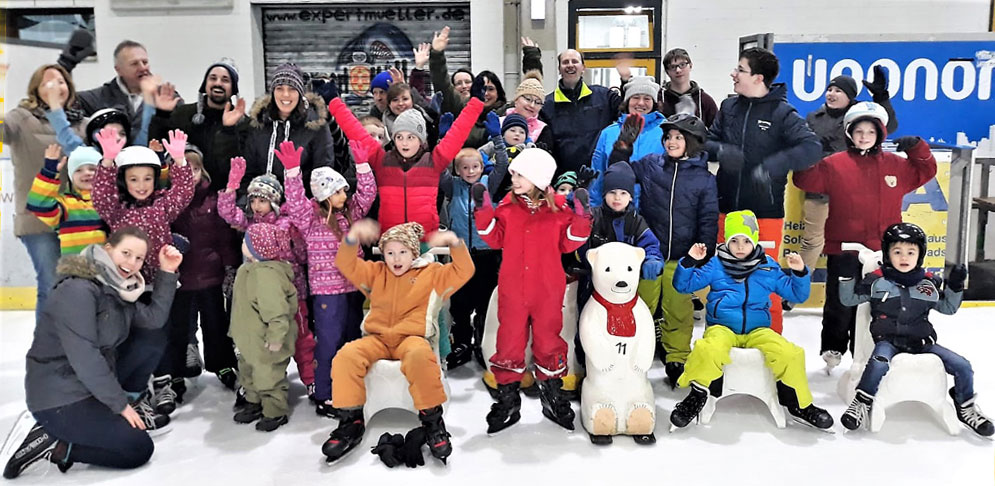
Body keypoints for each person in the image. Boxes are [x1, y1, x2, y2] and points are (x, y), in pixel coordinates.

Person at [1, 227, 181, 479]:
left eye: (138, 258)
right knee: (137, 448)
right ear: (108, 250)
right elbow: (84, 355)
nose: (131, 263)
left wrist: (167, 271)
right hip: (60, 395)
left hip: (90, 387)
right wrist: (120, 405)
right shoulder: (78, 290)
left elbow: (153, 319)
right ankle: (56, 444)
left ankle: (122, 404)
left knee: (152, 335)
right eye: (126, 253)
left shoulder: (119, 288)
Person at [793, 102, 936, 369]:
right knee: (839, 301)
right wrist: (805, 155)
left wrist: (917, 148)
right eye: (858, 131)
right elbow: (804, 180)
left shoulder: (897, 165)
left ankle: (873, 348)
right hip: (843, 247)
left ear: (880, 133)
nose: (864, 136)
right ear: (849, 133)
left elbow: (926, 170)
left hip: (884, 252)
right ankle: (833, 347)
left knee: (879, 303)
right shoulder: (833, 164)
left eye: (870, 131)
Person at [322, 221, 474, 464]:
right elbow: (346, 264)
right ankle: (351, 420)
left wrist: (455, 244)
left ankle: (432, 420)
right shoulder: (377, 272)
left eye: (402, 252)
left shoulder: (432, 274)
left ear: (414, 252)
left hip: (412, 338)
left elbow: (464, 271)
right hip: (378, 339)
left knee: (419, 357)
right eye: (390, 252)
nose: (396, 258)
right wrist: (352, 238)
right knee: (347, 355)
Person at [669, 210, 833, 430]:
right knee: (707, 349)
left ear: (754, 240)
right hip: (723, 327)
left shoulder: (768, 266)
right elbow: (683, 286)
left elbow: (797, 295)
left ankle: (800, 405)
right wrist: (690, 262)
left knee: (790, 353)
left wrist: (800, 273)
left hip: (758, 330)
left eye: (746, 240)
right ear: (726, 242)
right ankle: (698, 394)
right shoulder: (716, 264)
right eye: (734, 240)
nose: (739, 246)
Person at [472, 148, 592, 434]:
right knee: (509, 341)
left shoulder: (559, 209)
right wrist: (483, 210)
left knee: (548, 339)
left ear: (538, 178)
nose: (513, 178)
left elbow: (569, 243)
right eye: (513, 173)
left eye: (519, 174)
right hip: (513, 288)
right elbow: (494, 238)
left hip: (547, 288)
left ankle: (552, 396)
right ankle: (508, 400)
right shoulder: (507, 207)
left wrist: (582, 216)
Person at [704, 47, 822, 333]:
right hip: (727, 209)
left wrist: (773, 166)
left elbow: (812, 148)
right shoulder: (728, 107)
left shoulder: (782, 113)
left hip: (765, 214)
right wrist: (721, 150)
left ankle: (770, 345)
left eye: (740, 69)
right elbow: (705, 142)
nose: (734, 74)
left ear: (758, 78)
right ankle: (721, 343)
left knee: (765, 284)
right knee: (724, 283)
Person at [837, 223, 992, 437]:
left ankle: (966, 407)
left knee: (963, 365)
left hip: (923, 342)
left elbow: (948, 308)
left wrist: (955, 287)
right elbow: (849, 299)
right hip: (888, 341)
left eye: (911, 252)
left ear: (920, 255)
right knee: (878, 363)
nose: (904, 257)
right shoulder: (877, 281)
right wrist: (846, 277)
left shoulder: (928, 283)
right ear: (887, 253)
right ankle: (862, 402)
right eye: (897, 252)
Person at [608, 112, 719, 388]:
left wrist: (703, 253)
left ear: (692, 142)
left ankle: (677, 358)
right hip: (649, 256)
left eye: (678, 137)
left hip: (681, 258)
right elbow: (620, 174)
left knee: (678, 310)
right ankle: (634, 355)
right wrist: (623, 147)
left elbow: (708, 217)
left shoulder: (704, 179)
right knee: (641, 307)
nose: (671, 142)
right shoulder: (651, 165)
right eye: (668, 136)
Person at [281, 140, 377, 417]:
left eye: (344, 190)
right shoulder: (310, 218)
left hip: (354, 287)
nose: (345, 195)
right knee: (329, 341)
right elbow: (296, 202)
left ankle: (350, 386)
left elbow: (368, 194)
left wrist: (362, 166)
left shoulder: (351, 214)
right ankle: (324, 393)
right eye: (338, 192)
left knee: (351, 339)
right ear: (324, 195)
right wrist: (292, 173)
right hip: (327, 292)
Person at [218, 159, 317, 404]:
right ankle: (269, 383)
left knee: (301, 337)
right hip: (260, 296)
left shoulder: (287, 224)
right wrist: (231, 187)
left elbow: (302, 254)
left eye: (262, 200)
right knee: (267, 341)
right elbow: (229, 213)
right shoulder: (251, 223)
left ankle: (311, 379)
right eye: (253, 200)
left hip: (293, 293)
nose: (256, 206)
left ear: (273, 201)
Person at [328, 90, 485, 235]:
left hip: (424, 240)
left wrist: (476, 102)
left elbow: (458, 132)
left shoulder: (434, 161)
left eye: (411, 137)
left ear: (421, 140)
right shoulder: (381, 160)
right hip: (391, 241)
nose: (404, 143)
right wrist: (334, 102)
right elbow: (355, 130)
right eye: (399, 137)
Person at [2, 63, 88, 320]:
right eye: (47, 83)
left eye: (60, 81)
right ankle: (47, 351)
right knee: (51, 284)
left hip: (77, 221)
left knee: (79, 288)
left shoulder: (81, 123)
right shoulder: (21, 117)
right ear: (36, 90)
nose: (55, 87)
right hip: (38, 221)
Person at [159, 145, 240, 409]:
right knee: (180, 328)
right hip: (180, 278)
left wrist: (229, 266)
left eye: (195, 168)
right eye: (185, 168)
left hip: (211, 275)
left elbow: (225, 239)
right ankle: (178, 372)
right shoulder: (169, 203)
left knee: (216, 324)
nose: (191, 173)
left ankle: (223, 364)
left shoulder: (213, 200)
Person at [799, 67, 899, 271]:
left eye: (838, 91)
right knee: (812, 240)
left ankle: (863, 286)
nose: (831, 94)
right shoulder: (813, 117)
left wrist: (881, 97)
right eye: (830, 89)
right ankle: (795, 290)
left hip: (851, 192)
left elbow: (890, 124)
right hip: (819, 192)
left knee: (853, 244)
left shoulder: (861, 116)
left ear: (850, 96)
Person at [441, 113, 510, 369]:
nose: (470, 172)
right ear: (457, 170)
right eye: (465, 168)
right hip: (461, 254)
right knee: (460, 302)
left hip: (486, 253)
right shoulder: (453, 187)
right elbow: (440, 167)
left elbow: (502, 165)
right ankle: (461, 342)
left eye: (475, 167)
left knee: (484, 301)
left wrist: (497, 138)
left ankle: (482, 341)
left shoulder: (487, 185)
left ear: (482, 168)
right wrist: (446, 139)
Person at [91, 128, 195, 285]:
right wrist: (107, 163)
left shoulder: (162, 206)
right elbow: (101, 194)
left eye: (147, 178)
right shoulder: (116, 209)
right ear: (123, 181)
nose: (141, 185)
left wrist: (180, 161)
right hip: (124, 281)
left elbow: (183, 192)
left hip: (160, 279)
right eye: (133, 179)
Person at [216, 63, 334, 198]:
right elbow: (248, 172)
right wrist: (247, 205)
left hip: (301, 210)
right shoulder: (258, 124)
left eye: (292, 89)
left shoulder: (315, 125)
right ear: (272, 92)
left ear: (300, 93)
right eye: (279, 88)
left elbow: (323, 173)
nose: (285, 94)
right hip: (261, 208)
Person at [229, 223, 298, 432]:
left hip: (265, 341)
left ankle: (275, 410)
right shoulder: (247, 270)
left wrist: (276, 338)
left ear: (257, 248)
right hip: (247, 338)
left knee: (269, 375)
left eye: (245, 241)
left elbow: (276, 312)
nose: (242, 244)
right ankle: (253, 401)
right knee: (248, 372)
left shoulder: (267, 276)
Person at [148, 58, 240, 193]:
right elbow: (157, 148)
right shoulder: (183, 114)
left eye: (225, 80)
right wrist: (162, 115)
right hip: (182, 198)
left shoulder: (243, 123)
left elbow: (234, 167)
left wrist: (228, 129)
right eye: (213, 78)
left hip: (222, 200)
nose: (218, 83)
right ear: (205, 84)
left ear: (233, 88)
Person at [540, 49, 622, 174]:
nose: (570, 65)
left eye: (575, 61)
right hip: (564, 179)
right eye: (565, 62)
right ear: (559, 69)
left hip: (599, 174)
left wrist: (626, 81)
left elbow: (627, 110)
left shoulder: (603, 96)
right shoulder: (547, 105)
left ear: (583, 67)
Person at [75, 40, 179, 137]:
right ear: (118, 70)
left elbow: (179, 132)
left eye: (145, 62)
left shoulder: (167, 97)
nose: (143, 68)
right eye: (134, 64)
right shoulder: (99, 97)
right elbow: (68, 101)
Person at [590, 76, 664, 207]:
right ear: (627, 100)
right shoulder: (608, 133)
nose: (641, 103)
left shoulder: (666, 131)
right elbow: (598, 175)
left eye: (647, 98)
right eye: (635, 97)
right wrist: (594, 210)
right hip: (616, 209)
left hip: (654, 212)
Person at [430, 26, 508, 149]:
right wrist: (437, 55)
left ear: (499, 92)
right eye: (482, 89)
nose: (485, 94)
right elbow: (443, 85)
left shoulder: (507, 113)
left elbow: (530, 93)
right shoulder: (461, 109)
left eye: (491, 89)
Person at [27, 145, 107, 255]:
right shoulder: (67, 205)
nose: (86, 173)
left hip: (109, 267)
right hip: (77, 268)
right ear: (71, 177)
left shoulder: (111, 202)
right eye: (78, 170)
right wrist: (49, 172)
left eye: (92, 169)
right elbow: (39, 205)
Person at [657, 48, 718, 126]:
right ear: (667, 71)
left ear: (691, 66)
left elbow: (716, 133)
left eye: (682, 65)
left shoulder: (705, 101)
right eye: (672, 67)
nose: (678, 70)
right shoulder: (659, 99)